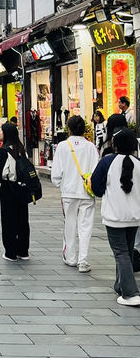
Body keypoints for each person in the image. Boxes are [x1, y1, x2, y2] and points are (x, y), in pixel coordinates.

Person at [91, 128, 140, 306]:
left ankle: (130, 293)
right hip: (134, 216)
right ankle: (120, 285)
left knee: (120, 253)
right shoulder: (138, 162)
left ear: (115, 145)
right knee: (126, 251)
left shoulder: (107, 162)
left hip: (114, 215)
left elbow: (96, 186)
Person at [50, 115, 99, 272]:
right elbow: (96, 171)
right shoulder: (91, 147)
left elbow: (56, 174)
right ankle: (83, 261)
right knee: (86, 227)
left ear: (68, 129)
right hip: (87, 192)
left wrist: (59, 183)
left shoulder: (63, 146)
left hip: (69, 192)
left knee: (69, 225)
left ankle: (70, 257)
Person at [0, 122, 30, 262]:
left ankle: (10, 252)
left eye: (2, 132)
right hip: (23, 188)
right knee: (22, 219)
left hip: (8, 188)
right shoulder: (21, 149)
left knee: (9, 219)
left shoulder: (4, 151)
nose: (0, 134)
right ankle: (23, 251)